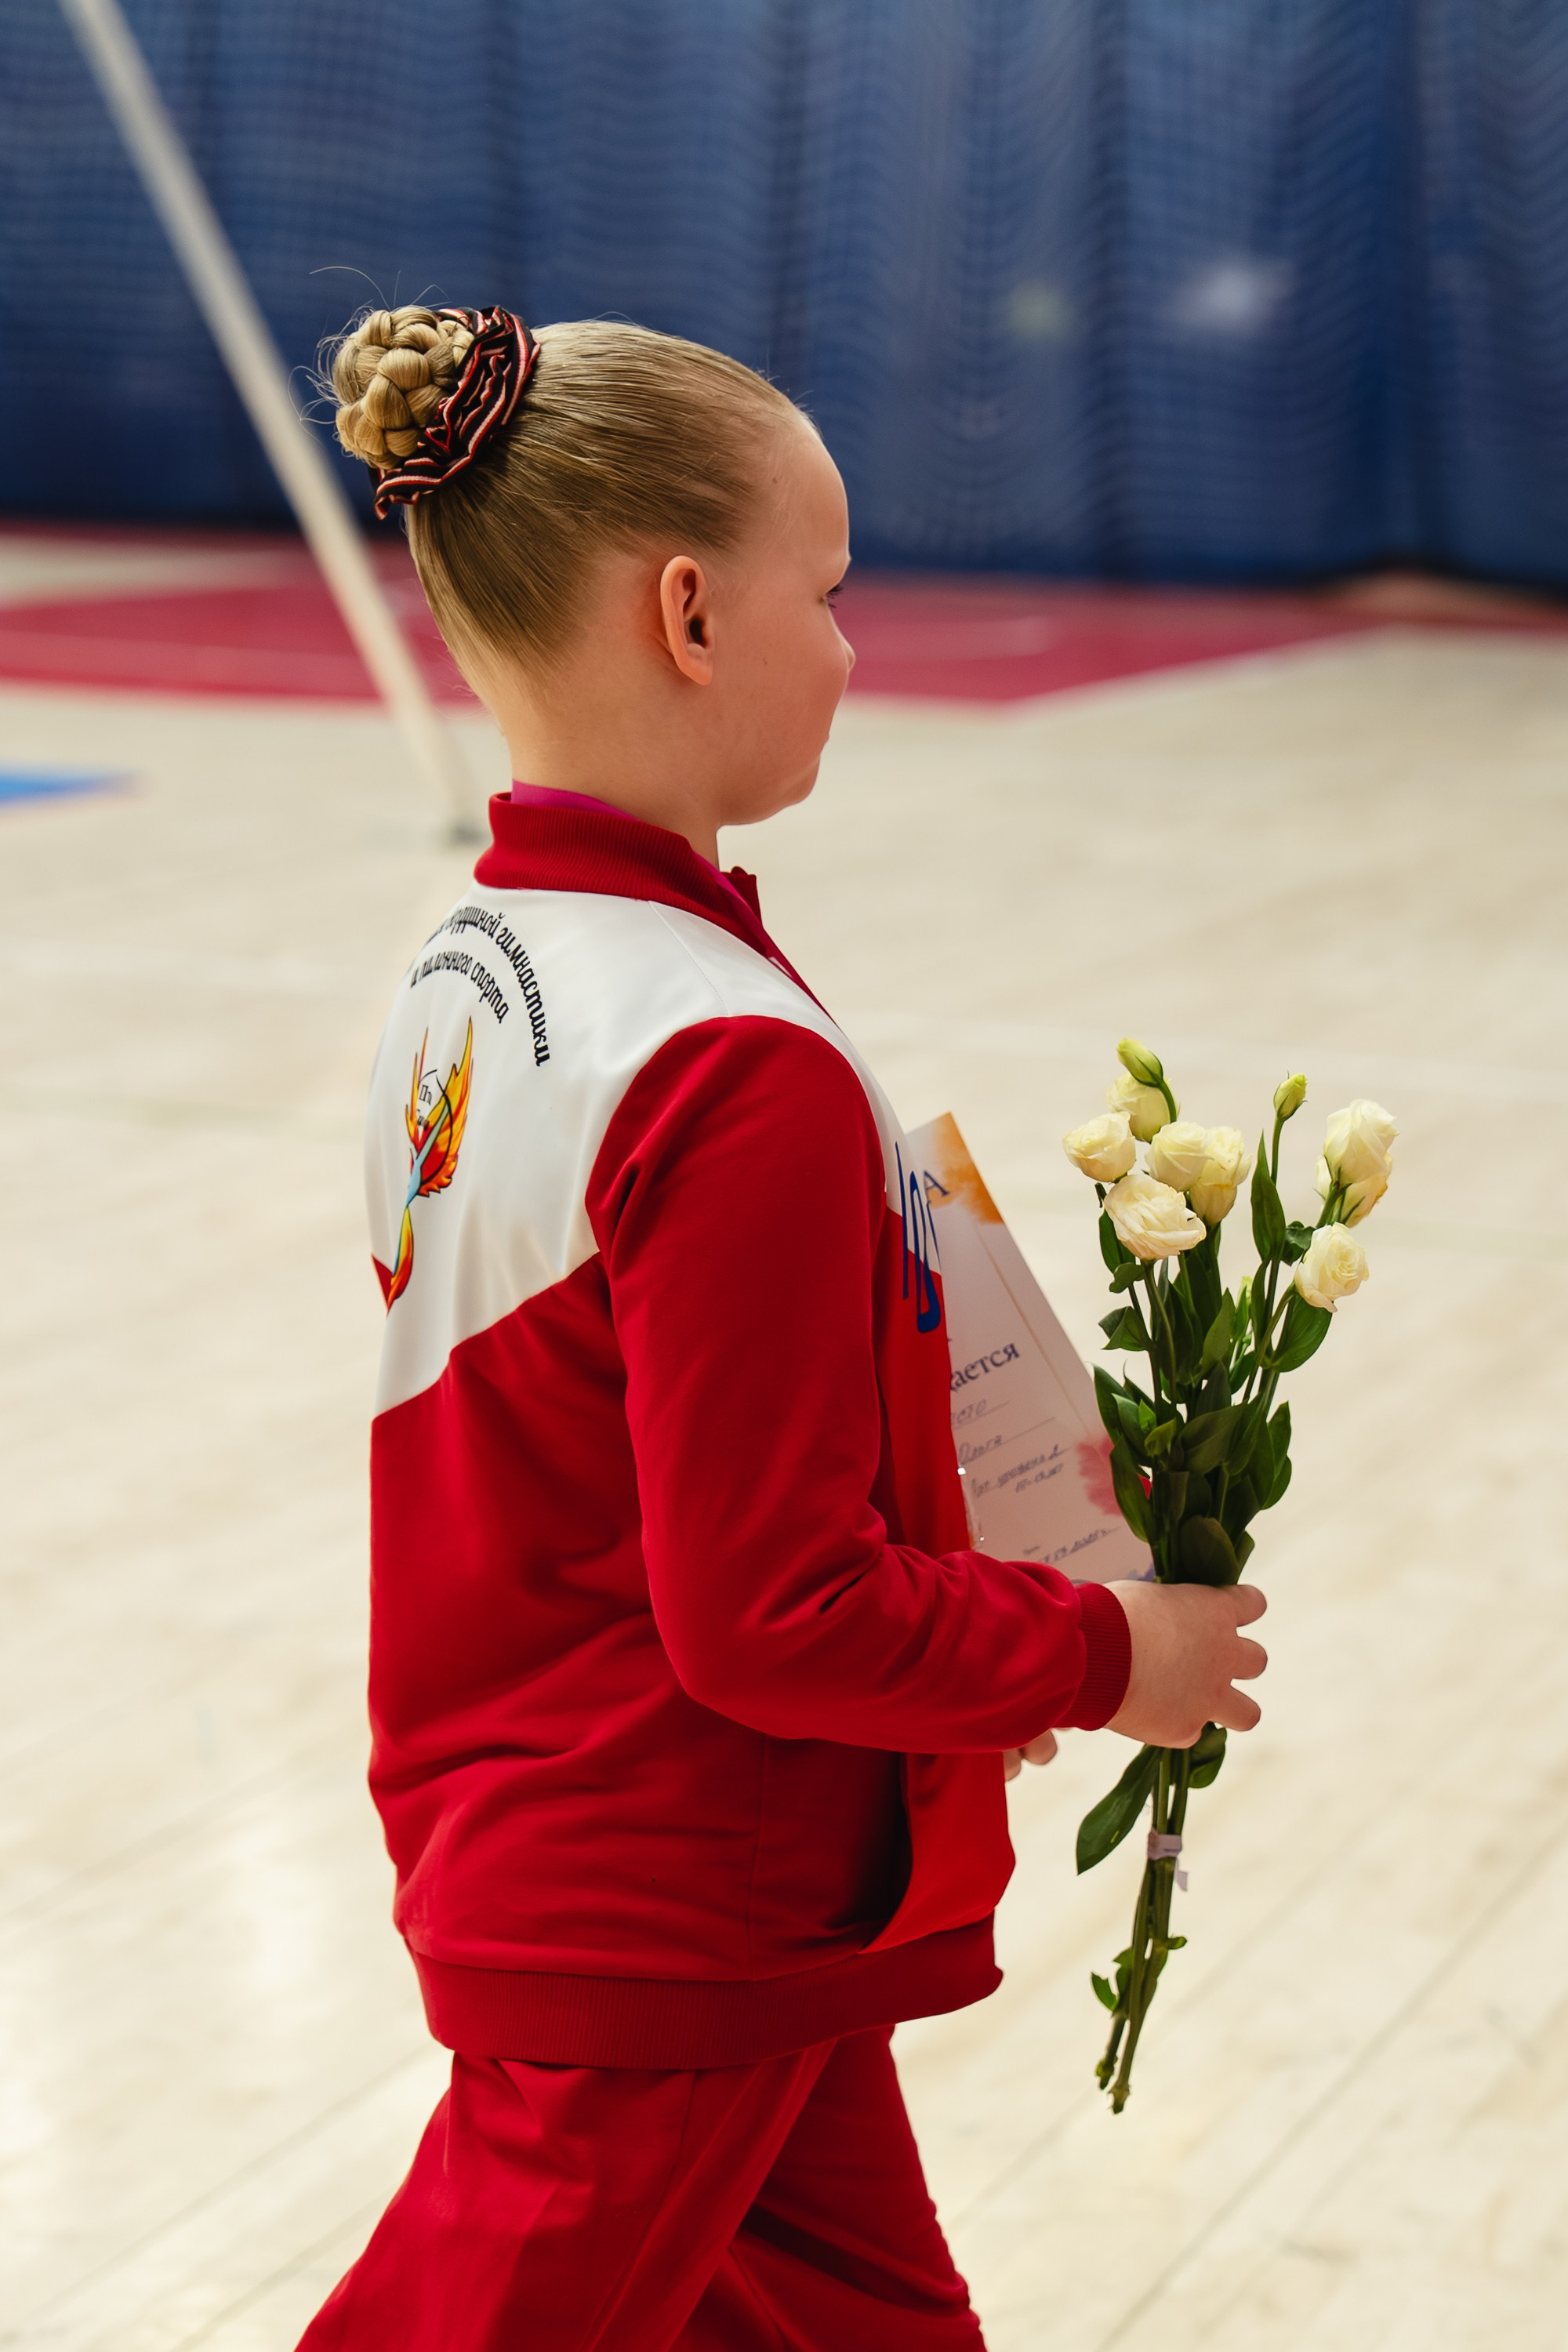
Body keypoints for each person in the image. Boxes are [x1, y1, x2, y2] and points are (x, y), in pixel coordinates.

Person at [296, 304, 1267, 2351]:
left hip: (604, 1855)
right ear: (686, 610)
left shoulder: (474, 968)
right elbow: (773, 1609)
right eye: (825, 592)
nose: (851, 645)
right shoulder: (723, 1061)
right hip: (661, 1913)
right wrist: (1111, 1649)